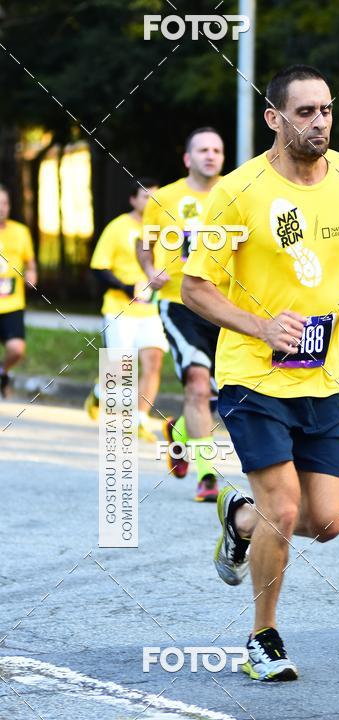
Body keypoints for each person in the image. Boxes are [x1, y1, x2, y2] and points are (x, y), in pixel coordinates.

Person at [181, 65, 339, 680]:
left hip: (321, 380)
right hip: (252, 377)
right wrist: (258, 327)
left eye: (326, 110)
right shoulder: (238, 193)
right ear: (275, 119)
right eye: (305, 112)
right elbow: (193, 288)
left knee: (328, 521)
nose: (319, 122)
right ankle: (263, 637)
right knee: (284, 509)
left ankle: (239, 518)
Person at [137, 128, 229, 502]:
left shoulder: (236, 192)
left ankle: (178, 434)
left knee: (229, 395)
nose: (211, 155)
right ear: (188, 158)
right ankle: (208, 476)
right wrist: (149, 272)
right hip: (180, 302)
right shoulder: (165, 198)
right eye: (203, 150)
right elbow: (144, 244)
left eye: (217, 150)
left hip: (225, 305)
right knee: (197, 382)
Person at [85, 178, 166, 442]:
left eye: (156, 197)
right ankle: (99, 393)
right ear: (133, 200)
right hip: (120, 308)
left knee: (153, 362)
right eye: (145, 197)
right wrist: (126, 286)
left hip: (152, 310)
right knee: (120, 369)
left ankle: (140, 419)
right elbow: (98, 267)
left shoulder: (165, 231)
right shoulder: (117, 228)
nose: (150, 202)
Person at [0, 185, 37, 397]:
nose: (1, 208)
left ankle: (2, 371)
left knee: (17, 349)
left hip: (12, 303)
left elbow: (30, 263)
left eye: (5, 203)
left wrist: (32, 275)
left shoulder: (20, 232)